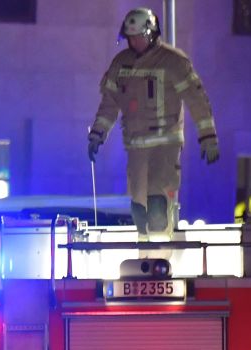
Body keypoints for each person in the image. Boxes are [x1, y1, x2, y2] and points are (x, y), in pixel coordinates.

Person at [87, 7, 218, 239]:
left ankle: (159, 256)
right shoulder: (121, 63)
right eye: (130, 38)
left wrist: (207, 136)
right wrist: (98, 134)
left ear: (150, 33)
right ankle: (143, 256)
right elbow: (109, 103)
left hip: (164, 145)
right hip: (136, 146)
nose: (133, 42)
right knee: (139, 209)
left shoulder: (173, 62)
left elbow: (196, 99)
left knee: (157, 205)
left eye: (137, 37)